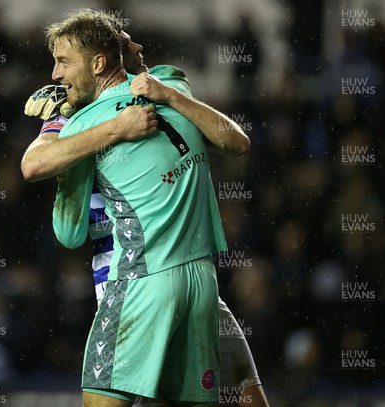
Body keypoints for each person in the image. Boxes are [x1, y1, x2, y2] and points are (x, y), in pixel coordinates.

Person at [22, 10, 269, 407]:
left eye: (63, 62)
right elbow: (237, 142)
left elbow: (61, 219)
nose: (54, 74)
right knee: (239, 388)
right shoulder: (170, 83)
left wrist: (54, 128)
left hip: (136, 281)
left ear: (99, 62)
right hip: (200, 280)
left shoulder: (82, 126)